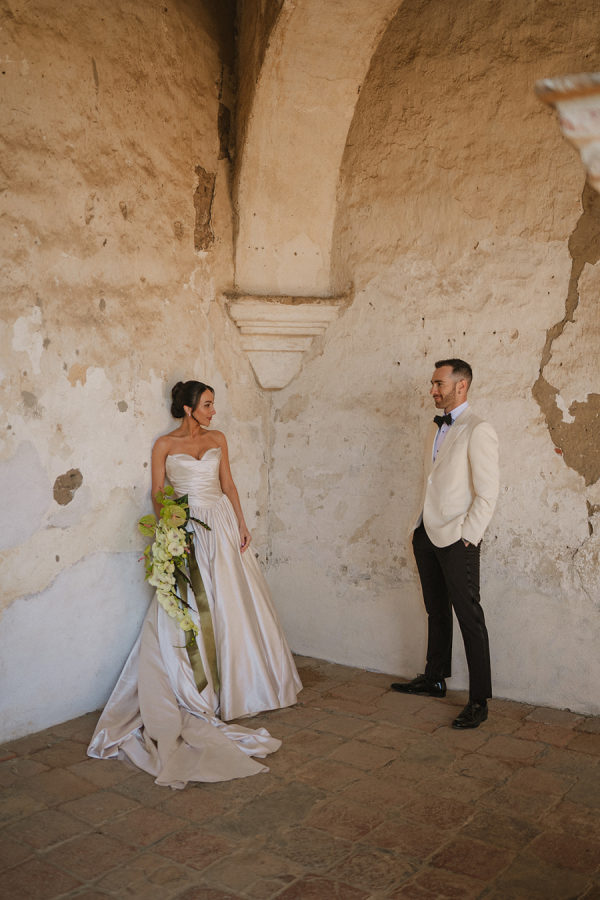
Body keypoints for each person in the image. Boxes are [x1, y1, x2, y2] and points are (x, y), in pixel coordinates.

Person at [88, 380, 302, 787]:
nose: (212, 411)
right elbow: (157, 493)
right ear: (188, 408)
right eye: (206, 405)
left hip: (221, 523)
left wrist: (242, 524)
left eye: (212, 404)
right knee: (192, 603)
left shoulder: (218, 438)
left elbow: (228, 484)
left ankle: (246, 686)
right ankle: (199, 688)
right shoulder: (164, 446)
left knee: (234, 601)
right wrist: (171, 528)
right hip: (188, 529)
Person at [391, 359, 499, 729]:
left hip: (457, 538)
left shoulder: (479, 429)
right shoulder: (433, 428)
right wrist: (417, 527)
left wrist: (469, 536)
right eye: (433, 384)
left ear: (461, 385)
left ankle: (479, 701)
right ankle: (434, 677)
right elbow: (432, 481)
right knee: (436, 609)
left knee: (469, 616)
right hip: (426, 532)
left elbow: (488, 493)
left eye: (439, 384)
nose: (433, 390)